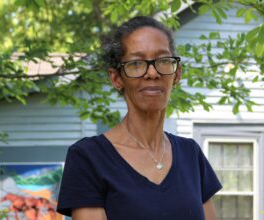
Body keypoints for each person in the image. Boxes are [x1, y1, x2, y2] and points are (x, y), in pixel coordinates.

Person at [56, 16, 222, 220]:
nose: (152, 73)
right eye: (136, 63)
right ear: (116, 78)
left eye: (163, 61)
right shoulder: (88, 158)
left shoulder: (191, 156)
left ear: (177, 74)